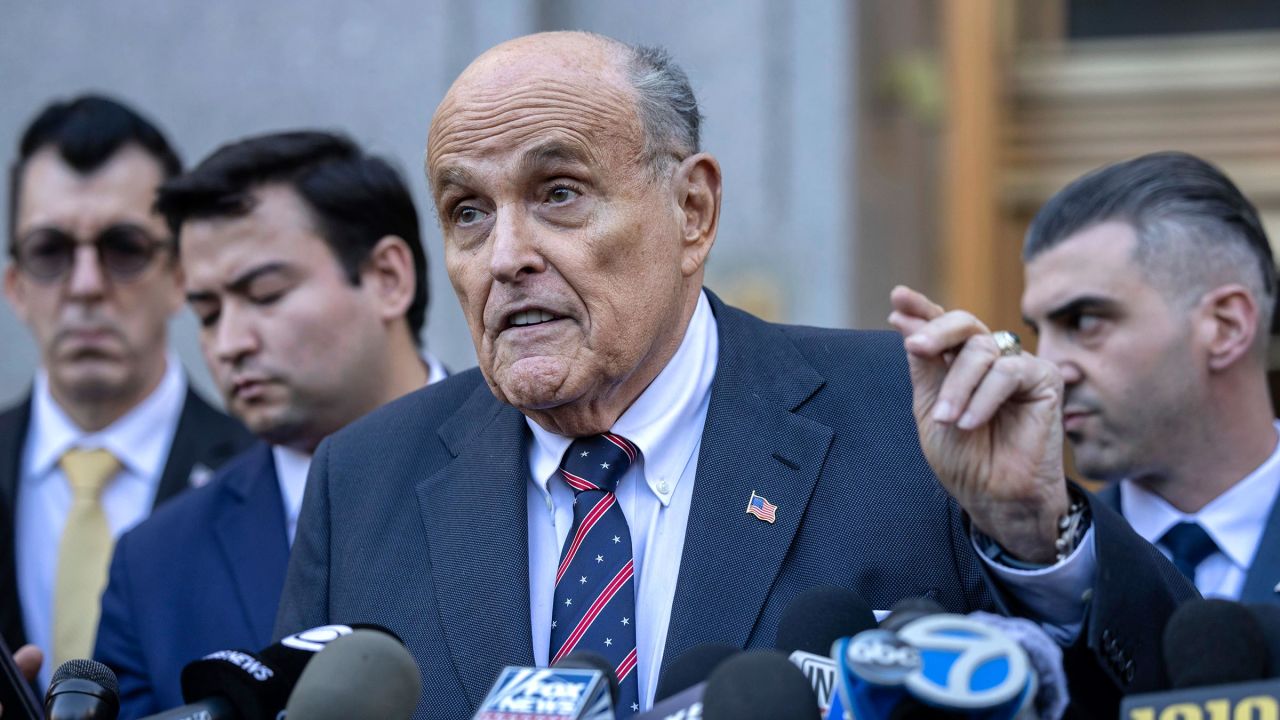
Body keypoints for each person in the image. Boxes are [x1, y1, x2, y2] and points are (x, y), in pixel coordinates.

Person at [275, 32, 1193, 718]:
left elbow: (1182, 685)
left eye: (558, 193)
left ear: (693, 209)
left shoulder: (907, 420)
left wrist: (1035, 543)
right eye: (467, 212)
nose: (506, 254)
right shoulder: (364, 484)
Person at [91, 130, 447, 718]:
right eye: (207, 314)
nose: (229, 343)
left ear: (388, 277)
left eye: (265, 294)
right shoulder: (154, 566)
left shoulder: (548, 475)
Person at [0, 95, 252, 688]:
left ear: (179, 277)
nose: (86, 285)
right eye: (49, 251)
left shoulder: (264, 478)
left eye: (124, 249)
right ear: (15, 287)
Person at [1021, 151, 1280, 602]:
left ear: (1225, 327)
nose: (1048, 370)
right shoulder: (1041, 566)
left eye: (1083, 322)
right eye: (1037, 332)